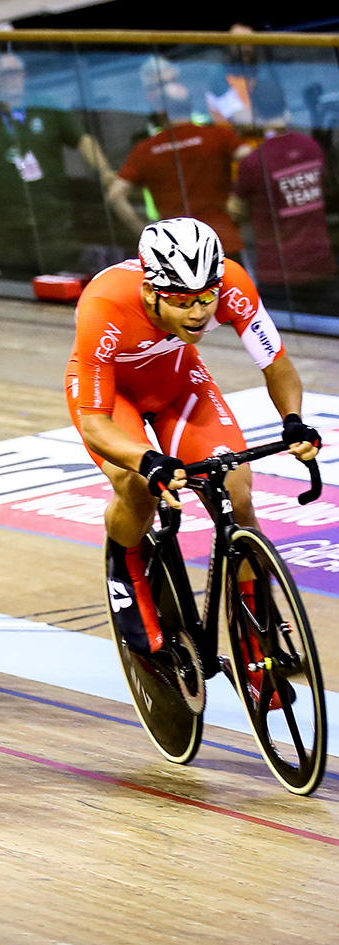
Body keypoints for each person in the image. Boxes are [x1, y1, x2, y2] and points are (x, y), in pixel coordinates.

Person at [66, 219, 317, 655]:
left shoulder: (233, 282)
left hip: (180, 385)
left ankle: (256, 635)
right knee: (138, 486)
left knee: (237, 493)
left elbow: (275, 362)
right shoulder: (104, 304)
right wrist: (148, 460)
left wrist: (293, 419)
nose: (199, 312)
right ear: (150, 292)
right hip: (112, 400)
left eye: (205, 297)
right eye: (183, 302)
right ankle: (125, 570)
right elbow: (94, 422)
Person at [0, 51, 117, 274]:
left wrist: (104, 172)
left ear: (24, 76)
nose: (11, 78)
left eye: (16, 72)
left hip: (51, 221)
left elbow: (83, 140)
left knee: (60, 278)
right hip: (6, 226)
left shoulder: (46, 107)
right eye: (4, 74)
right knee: (15, 282)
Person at [108, 61, 244, 263]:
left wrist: (146, 235)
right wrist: (239, 199)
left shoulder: (147, 148)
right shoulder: (216, 135)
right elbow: (254, 161)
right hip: (217, 240)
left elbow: (115, 195)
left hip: (175, 248)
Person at [232, 78, 337, 288]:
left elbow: (236, 210)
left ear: (256, 114)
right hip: (321, 264)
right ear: (286, 106)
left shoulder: (254, 162)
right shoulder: (312, 148)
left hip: (279, 273)